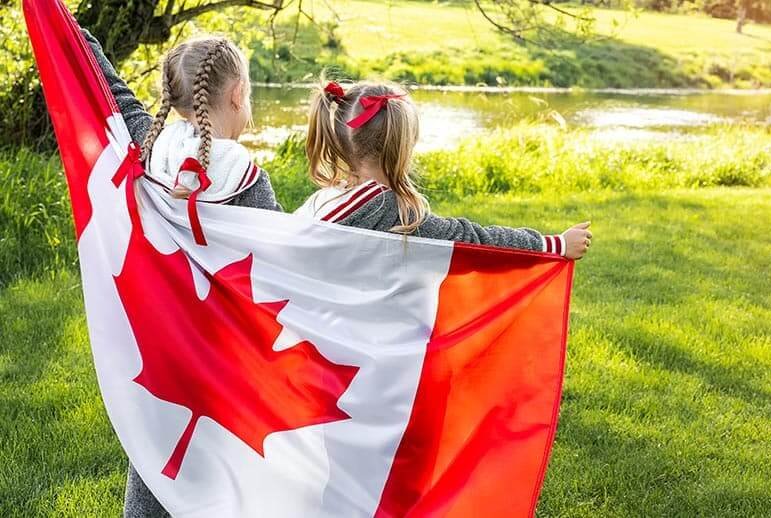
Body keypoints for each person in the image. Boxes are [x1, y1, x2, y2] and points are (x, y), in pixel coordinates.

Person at [83, 31, 280, 518]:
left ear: (172, 95)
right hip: (222, 355)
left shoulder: (145, 149)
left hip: (157, 342)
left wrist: (73, 30)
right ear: (238, 94)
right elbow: (285, 266)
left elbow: (112, 91)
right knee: (220, 467)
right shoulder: (248, 182)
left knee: (157, 449)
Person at [296, 79, 592, 259]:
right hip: (382, 340)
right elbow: (478, 242)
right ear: (404, 149)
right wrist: (554, 244)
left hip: (321, 335)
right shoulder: (402, 216)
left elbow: (283, 241)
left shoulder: (323, 201)